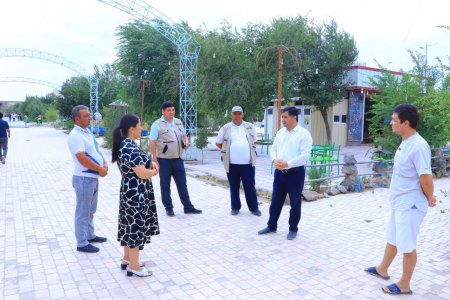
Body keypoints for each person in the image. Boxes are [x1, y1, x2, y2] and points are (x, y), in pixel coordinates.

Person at [364, 104, 436, 295]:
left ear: (406, 122)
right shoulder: (406, 141)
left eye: (395, 120)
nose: (391, 123)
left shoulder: (419, 146)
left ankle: (404, 284)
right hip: (400, 201)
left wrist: (430, 197)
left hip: (411, 204)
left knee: (407, 245)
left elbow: (426, 178)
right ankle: (382, 269)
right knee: (393, 238)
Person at [112, 114, 160, 277]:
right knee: (135, 227)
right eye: (139, 125)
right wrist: (154, 171)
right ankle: (134, 267)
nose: (142, 128)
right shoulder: (129, 147)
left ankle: (128, 259)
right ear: (131, 129)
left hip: (130, 191)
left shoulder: (128, 144)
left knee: (128, 225)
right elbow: (142, 173)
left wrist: (149, 162)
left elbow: (140, 164)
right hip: (135, 193)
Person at [258, 107, 312, 240]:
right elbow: (273, 149)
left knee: (295, 203)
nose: (283, 120)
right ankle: (271, 226)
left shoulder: (304, 134)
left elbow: (305, 156)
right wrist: (274, 159)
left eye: (285, 117)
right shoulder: (280, 132)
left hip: (295, 173)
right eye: (282, 117)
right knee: (275, 201)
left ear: (295, 118)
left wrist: (288, 163)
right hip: (279, 173)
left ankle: (293, 229)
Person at [67, 105, 108, 253]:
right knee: (82, 212)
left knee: (90, 210)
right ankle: (82, 243)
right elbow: (82, 158)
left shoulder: (87, 132)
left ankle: (90, 235)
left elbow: (96, 150)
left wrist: (104, 163)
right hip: (84, 178)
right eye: (86, 116)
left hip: (92, 177)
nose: (89, 117)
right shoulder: (74, 135)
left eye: (89, 115)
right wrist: (100, 169)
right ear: (77, 119)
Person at [149, 101, 202, 217]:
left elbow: (184, 135)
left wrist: (186, 142)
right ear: (163, 111)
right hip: (163, 160)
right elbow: (152, 143)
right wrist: (154, 159)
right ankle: (169, 208)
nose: (171, 112)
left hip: (178, 159)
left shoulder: (178, 122)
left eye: (173, 110)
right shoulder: (156, 125)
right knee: (165, 185)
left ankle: (188, 207)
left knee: (182, 183)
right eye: (169, 110)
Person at [216, 106, 261, 216]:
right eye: (235, 114)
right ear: (231, 115)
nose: (237, 116)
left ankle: (254, 208)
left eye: (239, 113)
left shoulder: (249, 126)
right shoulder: (226, 128)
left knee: (250, 186)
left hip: (248, 164)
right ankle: (235, 207)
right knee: (234, 186)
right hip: (231, 164)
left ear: (242, 115)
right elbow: (218, 143)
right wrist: (227, 150)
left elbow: (255, 141)